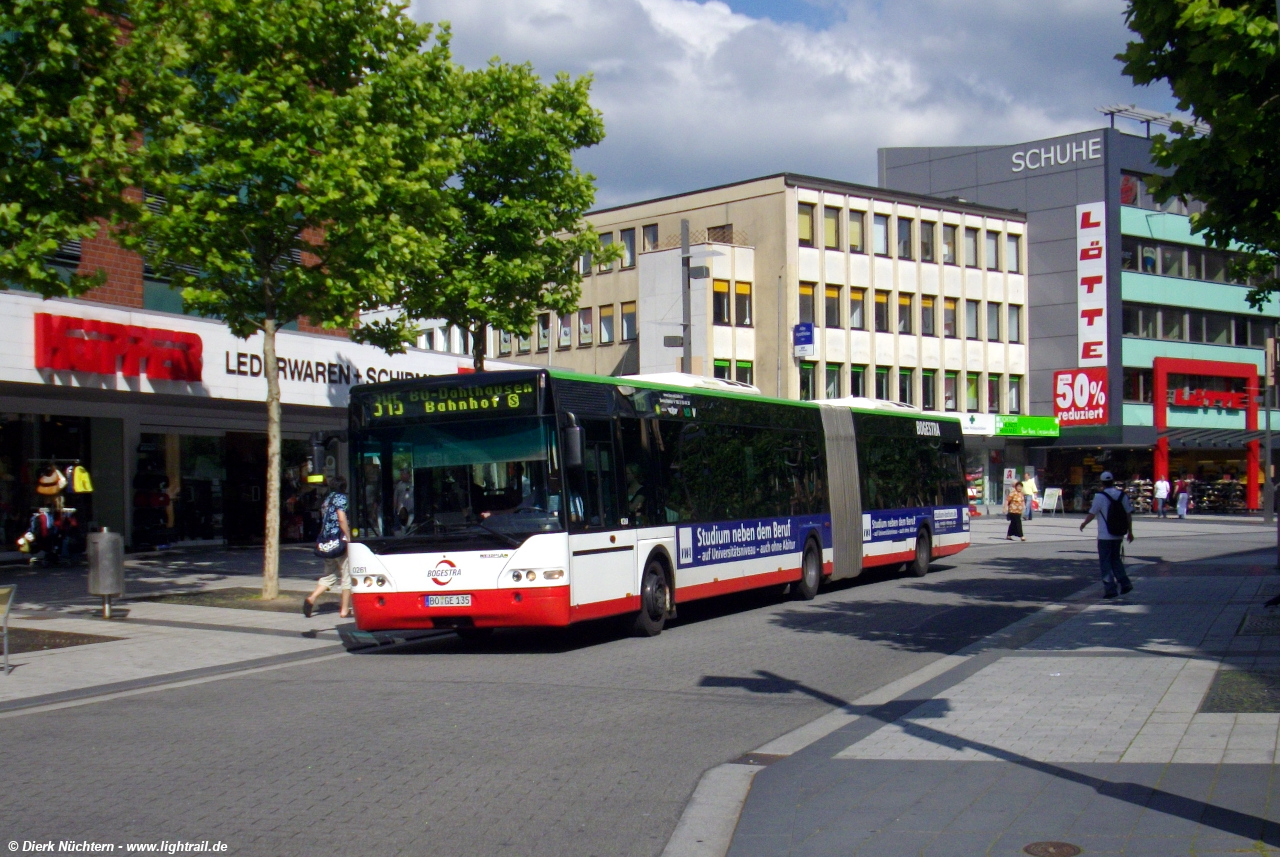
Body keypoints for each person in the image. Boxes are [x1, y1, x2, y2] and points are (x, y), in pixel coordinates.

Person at [1079, 471, 1134, 599]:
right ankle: (1125, 583)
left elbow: (1092, 513)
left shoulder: (1100, 496)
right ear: (1113, 481)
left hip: (1105, 535)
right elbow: (1128, 515)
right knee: (1116, 559)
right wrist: (1130, 532)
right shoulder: (1122, 495)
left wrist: (1084, 524)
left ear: (1102, 482)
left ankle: (1110, 589)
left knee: (1105, 562)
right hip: (1118, 534)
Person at [303, 476, 352, 619]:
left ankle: (312, 598)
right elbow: (341, 518)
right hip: (339, 542)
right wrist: (348, 536)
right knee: (346, 575)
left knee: (329, 575)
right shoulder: (341, 498)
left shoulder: (326, 500)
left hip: (327, 543)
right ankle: (344, 610)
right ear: (344, 487)